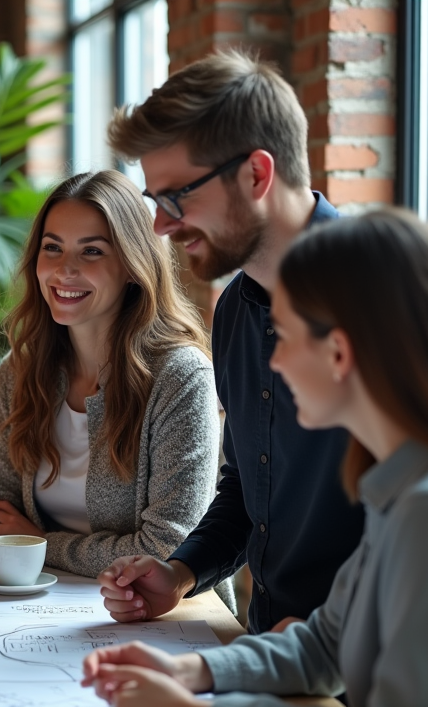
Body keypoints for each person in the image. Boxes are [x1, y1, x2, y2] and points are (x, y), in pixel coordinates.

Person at [81, 209, 428, 707]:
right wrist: (190, 672)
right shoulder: (403, 486)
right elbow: (327, 643)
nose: (273, 363)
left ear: (339, 353)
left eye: (282, 336)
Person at [97, 50, 365, 633]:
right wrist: (180, 572)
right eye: (155, 202)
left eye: (177, 197)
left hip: (372, 675)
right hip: (273, 651)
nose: (162, 226)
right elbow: (250, 490)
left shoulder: (379, 298)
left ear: (257, 175)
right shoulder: (235, 313)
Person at [0, 170, 232, 609]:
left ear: (132, 266)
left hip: (159, 619)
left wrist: (41, 544)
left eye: (91, 251)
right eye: (52, 248)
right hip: (35, 612)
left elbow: (166, 551)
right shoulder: (20, 371)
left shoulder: (181, 378)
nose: (64, 270)